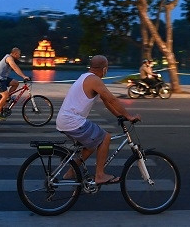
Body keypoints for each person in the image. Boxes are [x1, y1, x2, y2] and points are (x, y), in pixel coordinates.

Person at [56, 55, 140, 185]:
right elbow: (112, 99)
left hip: (65, 120)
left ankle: (71, 172)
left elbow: (107, 102)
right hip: (72, 121)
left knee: (91, 144)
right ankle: (100, 175)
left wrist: (119, 115)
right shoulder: (94, 80)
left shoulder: (86, 76)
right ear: (104, 69)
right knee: (105, 137)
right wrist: (128, 116)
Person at [0, 47, 31, 121]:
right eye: (19, 54)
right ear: (15, 53)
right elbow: (15, 68)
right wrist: (24, 76)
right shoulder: (9, 58)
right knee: (5, 95)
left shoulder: (10, 58)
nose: (19, 56)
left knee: (15, 83)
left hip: (3, 78)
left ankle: (6, 98)